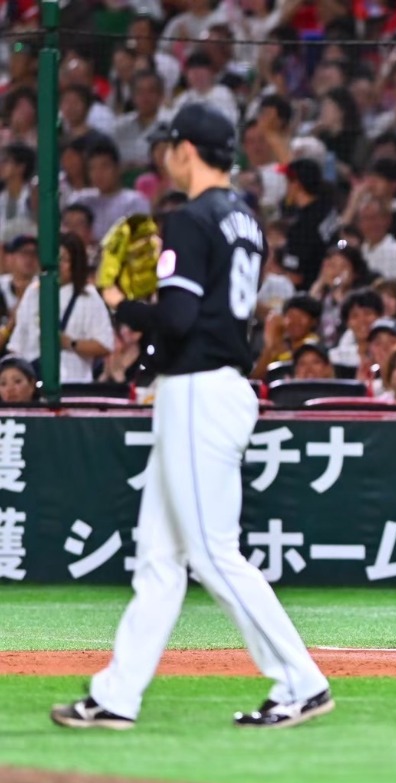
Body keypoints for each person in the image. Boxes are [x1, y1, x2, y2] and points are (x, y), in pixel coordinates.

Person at [51, 103, 332, 731]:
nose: (165, 156)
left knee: (211, 551)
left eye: (170, 145)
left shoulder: (192, 218)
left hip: (199, 391)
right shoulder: (246, 219)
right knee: (158, 555)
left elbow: (176, 320)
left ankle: (301, 680)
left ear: (186, 150)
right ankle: (116, 696)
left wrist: (122, 303)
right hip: (215, 383)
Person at [10, 232, 114, 383]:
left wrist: (70, 343)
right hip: (33, 383)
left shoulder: (88, 296)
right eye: (54, 258)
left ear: (75, 263)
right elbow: (17, 344)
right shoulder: (33, 291)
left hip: (73, 383)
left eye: (64, 259)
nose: (57, 264)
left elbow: (105, 345)